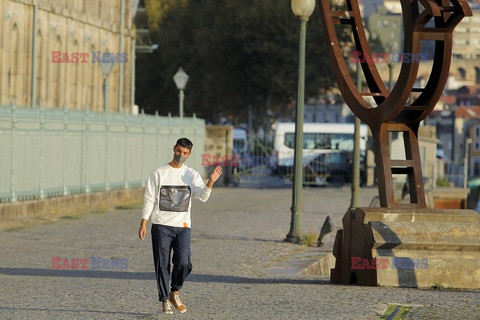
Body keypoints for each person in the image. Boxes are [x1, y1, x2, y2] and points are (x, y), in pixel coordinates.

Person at [138, 138, 222, 314]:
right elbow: (149, 199)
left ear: (189, 154)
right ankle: (164, 300)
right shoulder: (159, 173)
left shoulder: (192, 174)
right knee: (162, 264)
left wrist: (211, 182)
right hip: (161, 225)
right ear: (174, 149)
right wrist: (144, 222)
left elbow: (203, 196)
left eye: (184, 153)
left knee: (184, 262)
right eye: (178, 151)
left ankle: (174, 291)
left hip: (183, 226)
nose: (180, 155)